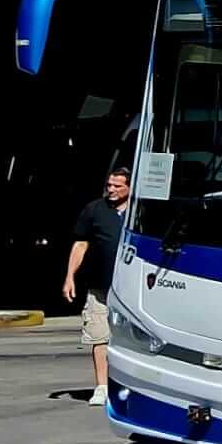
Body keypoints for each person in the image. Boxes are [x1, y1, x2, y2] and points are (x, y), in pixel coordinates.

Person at [63, 168, 131, 405]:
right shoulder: (94, 210)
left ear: (130, 187)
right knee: (99, 336)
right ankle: (102, 387)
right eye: (109, 185)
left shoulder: (140, 212)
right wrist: (69, 277)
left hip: (132, 290)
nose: (111, 190)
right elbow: (80, 244)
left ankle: (132, 387)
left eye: (117, 186)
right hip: (100, 286)